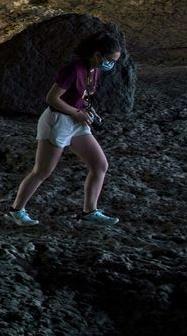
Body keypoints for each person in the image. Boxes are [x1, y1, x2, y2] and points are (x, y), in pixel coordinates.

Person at [7, 32, 125, 226]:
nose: (111, 65)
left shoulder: (94, 69)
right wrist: (77, 113)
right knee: (42, 171)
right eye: (110, 60)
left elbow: (82, 96)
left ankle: (89, 212)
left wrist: (89, 111)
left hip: (76, 122)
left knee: (99, 165)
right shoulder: (73, 69)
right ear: (97, 55)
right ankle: (16, 210)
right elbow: (52, 98)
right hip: (58, 122)